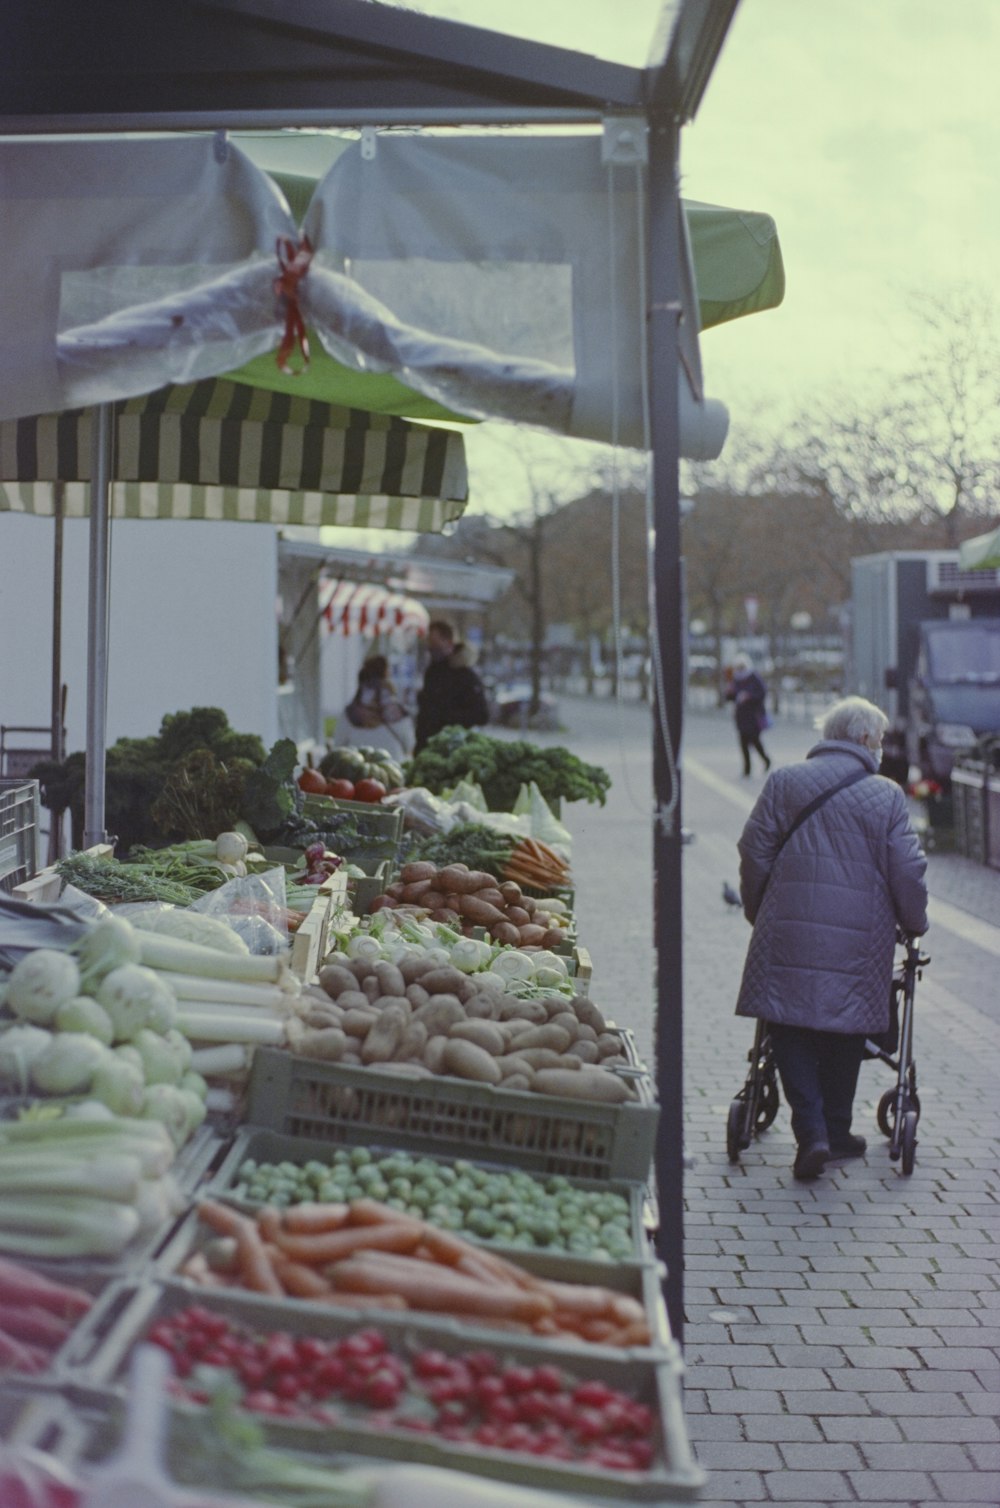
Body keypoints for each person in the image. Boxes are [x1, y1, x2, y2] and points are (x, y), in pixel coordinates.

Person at [734, 695, 929, 1181]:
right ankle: (837, 1132)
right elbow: (907, 870)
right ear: (864, 740)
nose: (882, 749)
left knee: (788, 1021)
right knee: (847, 1024)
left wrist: (762, 909)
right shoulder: (886, 795)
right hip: (859, 940)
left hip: (787, 928)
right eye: (880, 740)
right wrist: (916, 923)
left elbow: (753, 849)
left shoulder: (783, 781)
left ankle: (813, 1133)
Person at [413, 619, 490, 753]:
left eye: (434, 643)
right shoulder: (432, 671)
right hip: (426, 746)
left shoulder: (465, 675)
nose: (430, 647)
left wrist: (444, 717)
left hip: (450, 749)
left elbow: (481, 715)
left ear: (448, 642)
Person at [341, 655, 414, 756]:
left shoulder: (351, 712)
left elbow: (339, 747)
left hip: (356, 768)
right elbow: (409, 745)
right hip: (393, 767)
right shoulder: (398, 712)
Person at [725, 654, 771, 777]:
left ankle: (765, 759)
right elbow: (730, 697)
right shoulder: (735, 679)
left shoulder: (753, 677)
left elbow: (762, 693)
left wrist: (749, 696)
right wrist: (730, 693)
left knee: (755, 741)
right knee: (743, 743)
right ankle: (747, 769)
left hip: (753, 715)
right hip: (741, 716)